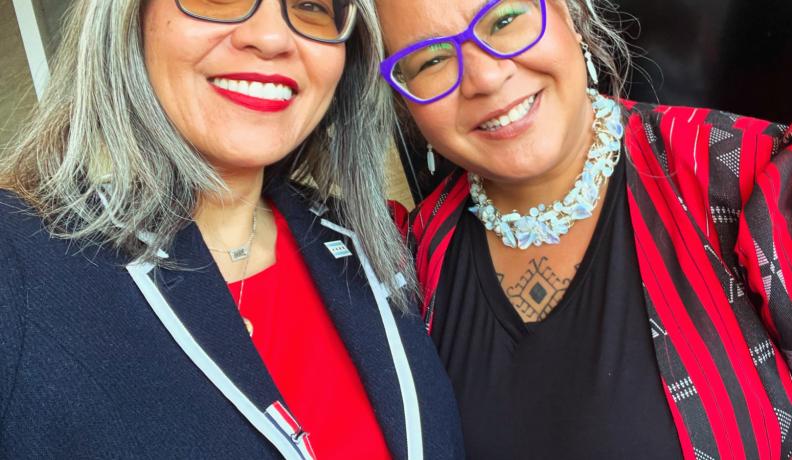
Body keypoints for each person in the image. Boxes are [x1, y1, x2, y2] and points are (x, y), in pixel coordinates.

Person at [0, 1, 464, 458]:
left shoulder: (373, 243)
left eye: (311, 4)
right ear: (129, 15)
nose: (272, 37)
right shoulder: (18, 264)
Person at [377, 0, 792, 458]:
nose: (486, 78)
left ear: (570, 15)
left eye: (505, 20)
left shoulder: (749, 179)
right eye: (432, 60)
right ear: (405, 102)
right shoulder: (405, 268)